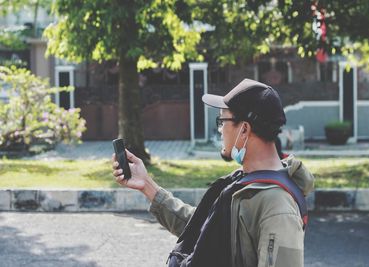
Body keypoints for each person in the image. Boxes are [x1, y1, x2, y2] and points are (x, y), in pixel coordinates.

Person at [112, 78, 315, 267]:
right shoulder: (243, 181)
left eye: (222, 122)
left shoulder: (278, 206)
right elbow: (203, 231)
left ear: (244, 130)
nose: (219, 130)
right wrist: (147, 185)